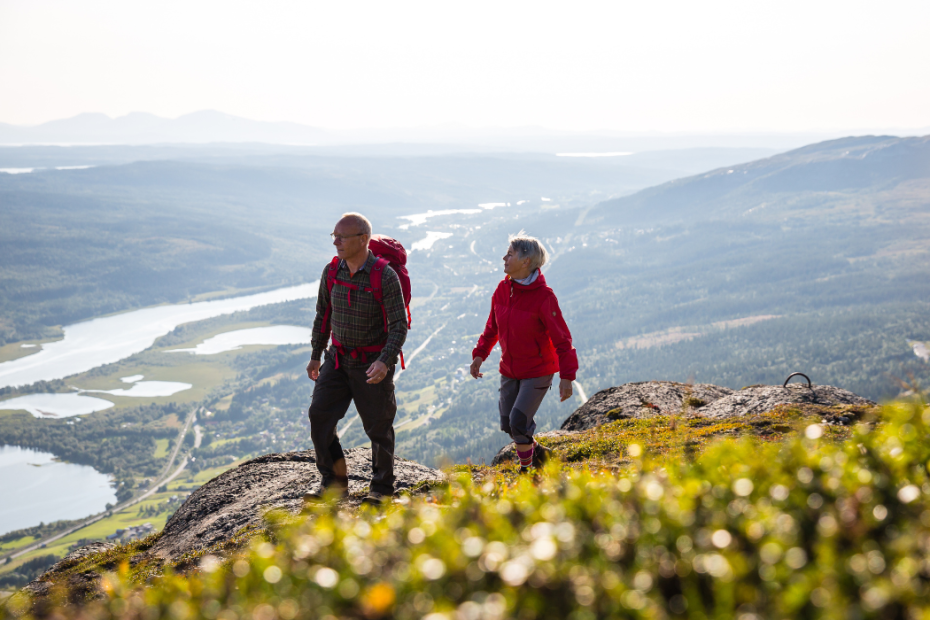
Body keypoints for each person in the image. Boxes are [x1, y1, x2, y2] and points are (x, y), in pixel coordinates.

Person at [305, 213, 408, 505]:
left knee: (378, 427)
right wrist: (316, 355)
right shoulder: (332, 271)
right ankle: (333, 484)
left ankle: (382, 490)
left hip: (371, 363)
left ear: (363, 239)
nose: (335, 242)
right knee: (320, 415)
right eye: (334, 236)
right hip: (337, 359)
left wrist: (385, 361)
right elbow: (323, 314)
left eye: (342, 237)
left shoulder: (384, 276)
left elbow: (399, 325)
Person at [470, 232, 578, 473]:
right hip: (510, 369)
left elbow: (562, 339)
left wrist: (567, 377)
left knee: (519, 422)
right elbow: (492, 327)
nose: (504, 258)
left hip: (537, 371)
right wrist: (479, 355)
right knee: (509, 424)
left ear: (526, 261)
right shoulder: (502, 289)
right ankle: (540, 454)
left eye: (510, 254)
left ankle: (527, 472)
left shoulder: (544, 297)